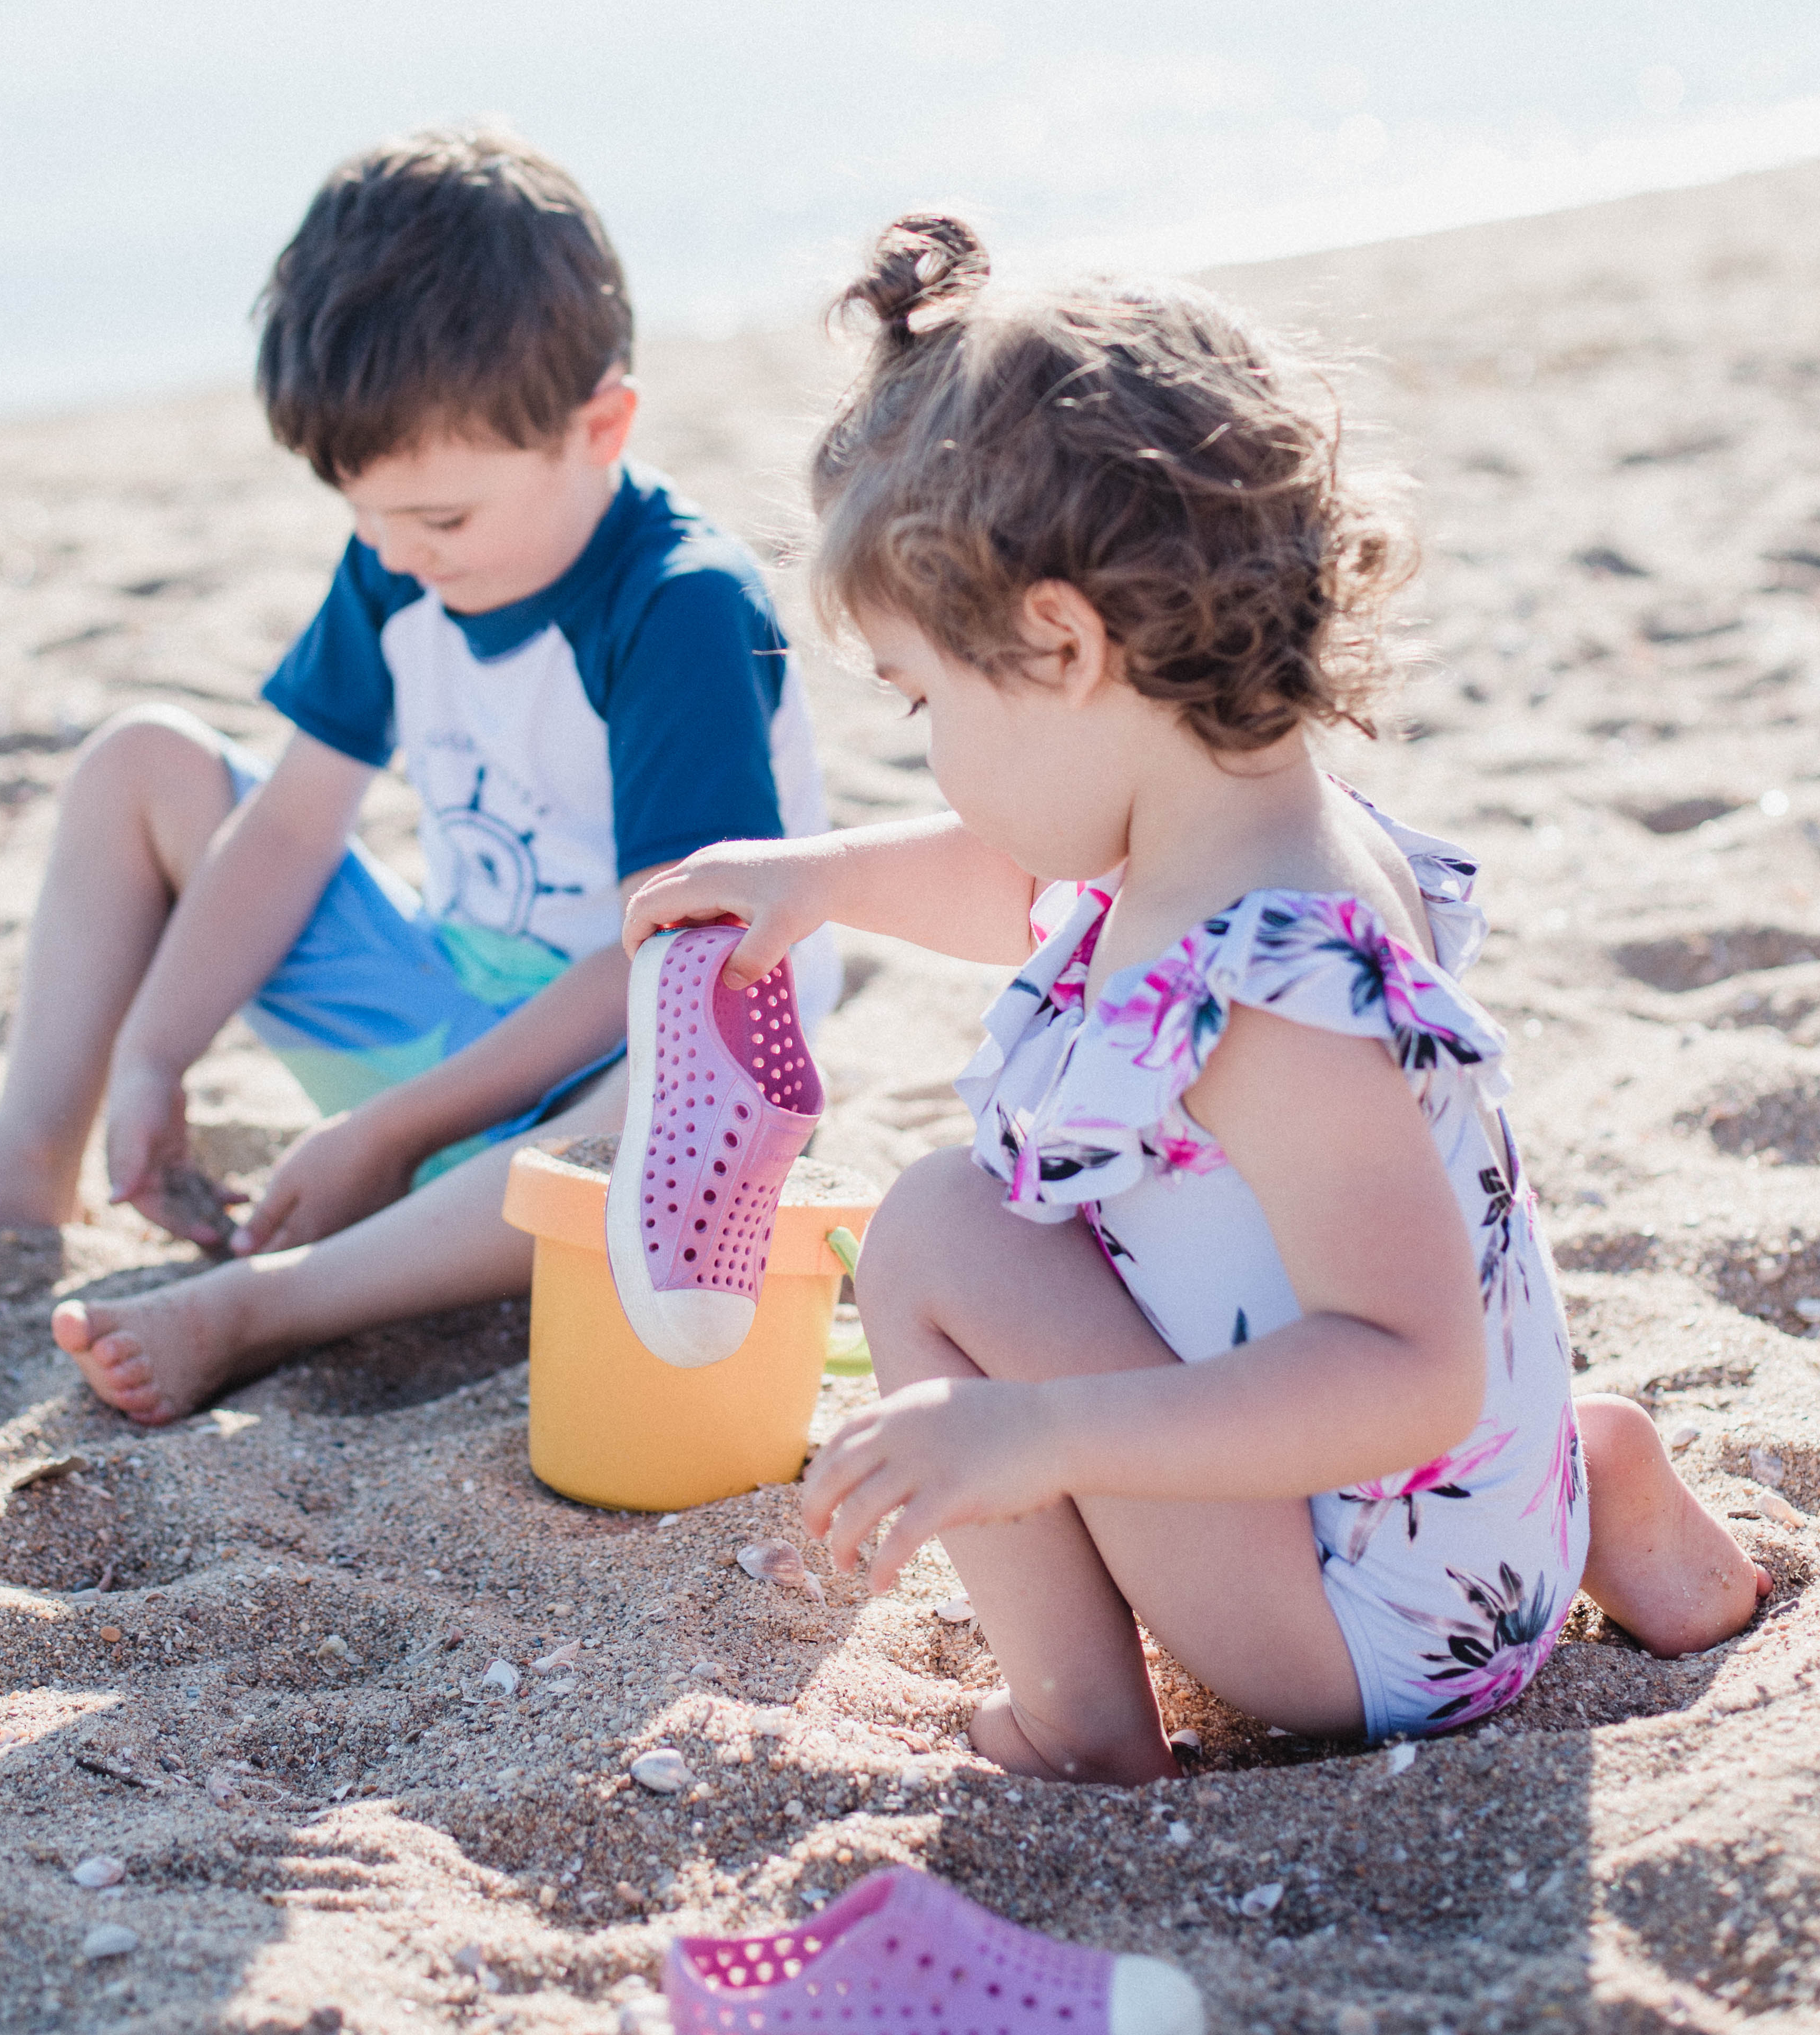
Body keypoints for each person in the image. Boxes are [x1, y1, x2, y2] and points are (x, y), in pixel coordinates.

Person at [625, 214, 1762, 1783]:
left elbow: (1407, 1367)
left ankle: (1085, 1727)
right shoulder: (1249, 835)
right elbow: (1015, 881)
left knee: (946, 1232)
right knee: (1048, 1230)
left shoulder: (1272, 991)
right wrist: (820, 875)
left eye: (922, 703)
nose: (927, 750)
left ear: (1062, 642)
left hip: (1356, 1629)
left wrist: (1047, 1436)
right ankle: (1613, 1500)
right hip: (1493, 1511)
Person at [0, 126, 837, 1424]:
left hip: (622, 1056)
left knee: (645, 1116)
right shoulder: (398, 560)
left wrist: (386, 1133)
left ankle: (272, 1303)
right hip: (442, 1005)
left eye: (440, 519)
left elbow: (669, 951)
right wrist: (158, 1053)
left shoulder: (678, 606)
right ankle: (23, 1155)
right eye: (360, 513)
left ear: (601, 424)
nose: (398, 553)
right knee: (141, 764)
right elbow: (286, 832)